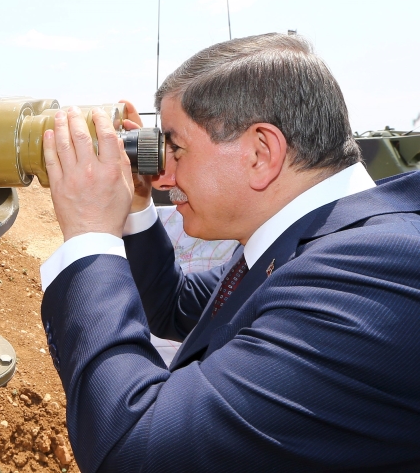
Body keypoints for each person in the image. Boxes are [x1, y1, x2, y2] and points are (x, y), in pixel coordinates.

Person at [38, 33, 420, 472]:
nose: (163, 177)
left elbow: (136, 451)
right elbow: (173, 306)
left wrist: (90, 233)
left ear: (261, 153)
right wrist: (137, 205)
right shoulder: (318, 240)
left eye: (176, 148)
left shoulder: (369, 275)